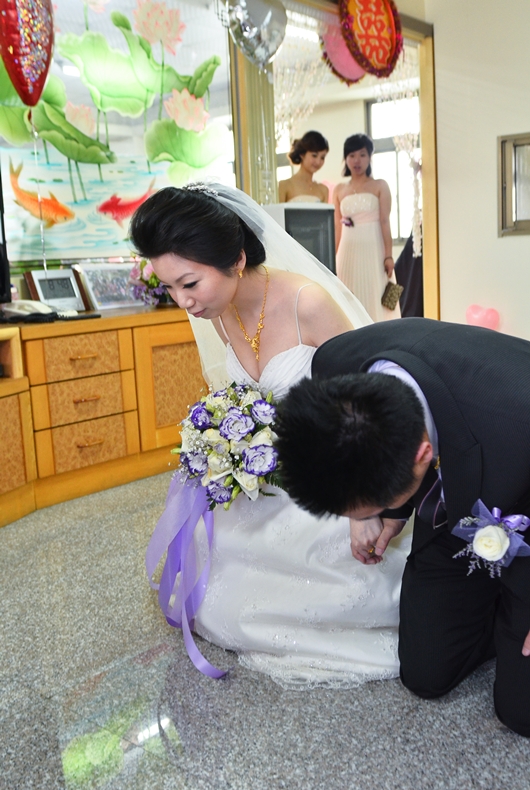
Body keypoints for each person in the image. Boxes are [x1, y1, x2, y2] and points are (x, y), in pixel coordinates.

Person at [130, 183, 413, 688]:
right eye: (169, 288)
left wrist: (363, 504)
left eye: (189, 283)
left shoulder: (308, 302)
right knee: (214, 551)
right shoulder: (219, 312)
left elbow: (369, 404)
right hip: (275, 475)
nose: (183, 302)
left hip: (339, 466)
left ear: (237, 259)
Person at [275, 317, 530, 735]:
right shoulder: (333, 368)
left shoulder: (517, 414)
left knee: (520, 713)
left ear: (423, 454)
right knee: (426, 673)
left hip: (522, 502)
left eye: (373, 505)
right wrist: (371, 514)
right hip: (458, 512)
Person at [334, 133, 401, 322]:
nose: (357, 160)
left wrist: (388, 255)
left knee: (377, 295)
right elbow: (337, 227)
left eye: (362, 155)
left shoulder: (380, 185)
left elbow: (385, 221)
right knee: (348, 293)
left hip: (374, 249)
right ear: (345, 159)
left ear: (370, 157)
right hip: (348, 250)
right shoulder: (339, 190)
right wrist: (332, 259)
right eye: (352, 155)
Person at [278, 131, 330, 203]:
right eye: (314, 155)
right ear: (302, 154)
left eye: (322, 157)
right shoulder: (285, 185)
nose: (318, 162)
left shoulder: (323, 190)